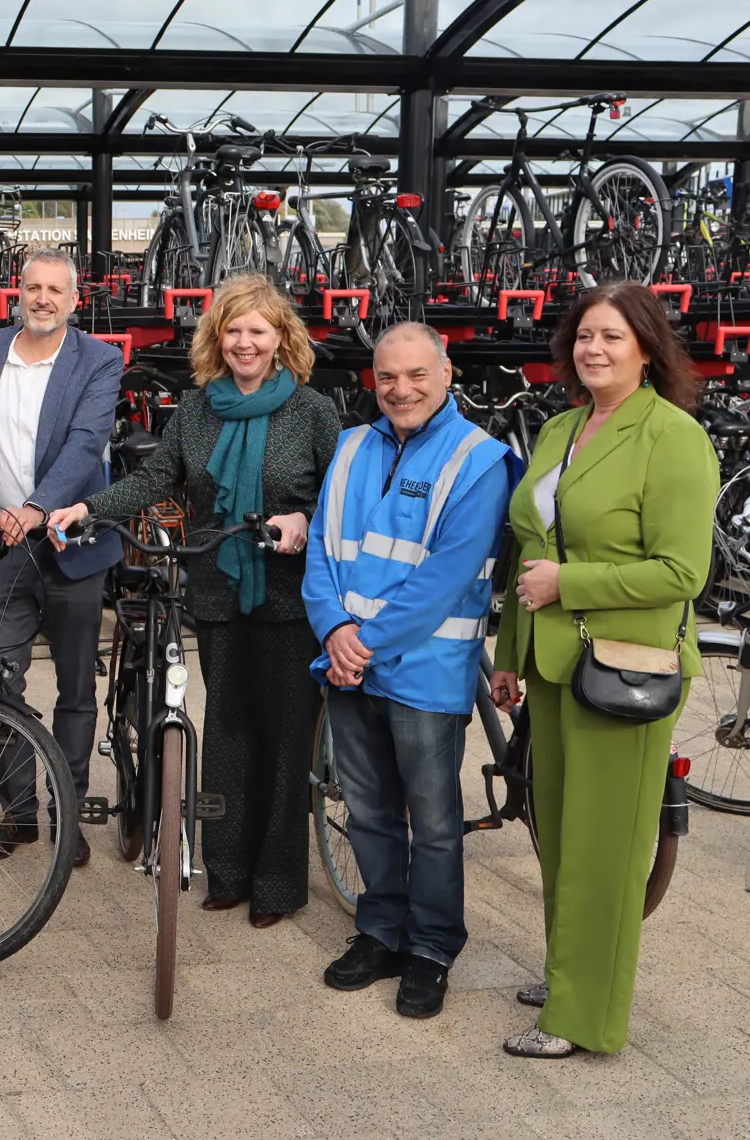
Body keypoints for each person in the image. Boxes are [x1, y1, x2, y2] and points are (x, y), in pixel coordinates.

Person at [50, 272, 339, 902]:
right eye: (232, 330)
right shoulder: (198, 407)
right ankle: (228, 870)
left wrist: (305, 521)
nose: (244, 342)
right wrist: (89, 509)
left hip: (291, 595)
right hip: (216, 588)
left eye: (257, 330)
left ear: (281, 337)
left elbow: (339, 500)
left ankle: (278, 882)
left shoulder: (314, 410)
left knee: (287, 736)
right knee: (229, 729)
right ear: (216, 336)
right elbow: (156, 477)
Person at [490, 282, 715, 1058]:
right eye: (585, 335)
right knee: (558, 835)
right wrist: (510, 656)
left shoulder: (674, 437)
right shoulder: (561, 428)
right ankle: (570, 974)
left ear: (648, 348)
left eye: (613, 337)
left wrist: (570, 587)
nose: (594, 350)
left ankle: (583, 1022)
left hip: (627, 667)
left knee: (605, 851)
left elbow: (683, 572)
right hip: (553, 665)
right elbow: (530, 547)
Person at [302, 322, 516, 1020]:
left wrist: (359, 642)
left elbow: (448, 577)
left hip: (422, 670)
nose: (400, 389)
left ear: (445, 373)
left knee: (431, 819)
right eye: (387, 377)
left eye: (416, 375)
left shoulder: (479, 460)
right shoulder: (352, 444)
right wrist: (334, 628)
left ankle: (431, 948)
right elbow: (322, 555)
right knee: (367, 812)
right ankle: (380, 932)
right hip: (349, 665)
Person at [0, 248, 124, 868]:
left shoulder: (99, 360)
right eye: (33, 287)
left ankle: (67, 818)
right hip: (3, 545)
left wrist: (37, 508)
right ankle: (19, 814)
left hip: (70, 546)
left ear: (75, 300)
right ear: (16, 292)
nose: (43, 298)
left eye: (56, 289)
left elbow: (84, 446)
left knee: (76, 689)